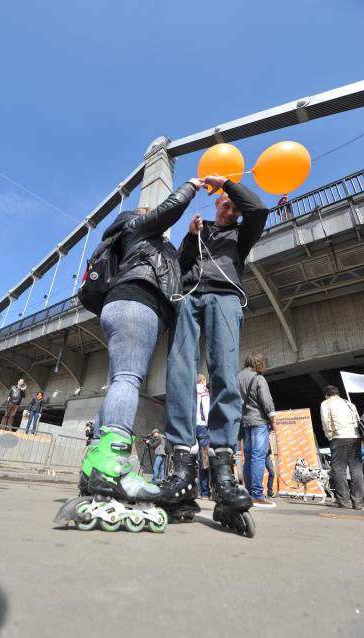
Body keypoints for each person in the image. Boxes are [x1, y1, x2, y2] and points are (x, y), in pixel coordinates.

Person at [56, 177, 204, 530]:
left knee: (121, 378)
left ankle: (97, 460)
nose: (156, 217)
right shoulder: (134, 228)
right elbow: (170, 210)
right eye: (151, 214)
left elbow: (176, 271)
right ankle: (113, 462)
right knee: (127, 378)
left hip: (131, 306)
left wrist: (190, 238)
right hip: (135, 303)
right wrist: (191, 186)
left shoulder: (151, 247)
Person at [162, 175, 269, 533]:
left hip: (225, 296)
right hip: (189, 297)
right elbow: (180, 263)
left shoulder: (242, 234)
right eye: (225, 204)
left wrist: (227, 183)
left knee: (224, 372)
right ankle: (181, 465)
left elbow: (259, 209)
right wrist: (191, 237)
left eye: (234, 207)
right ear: (215, 206)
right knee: (179, 371)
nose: (230, 209)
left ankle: (223, 472)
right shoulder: (198, 229)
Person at [238, 352, 276, 509]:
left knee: (248, 458)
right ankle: (257, 496)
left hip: (244, 422)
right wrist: (273, 420)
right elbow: (266, 401)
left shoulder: (238, 377)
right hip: (259, 421)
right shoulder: (259, 378)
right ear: (259, 363)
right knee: (258, 457)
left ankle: (247, 493)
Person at [320, 385, 363, 510]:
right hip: (355, 437)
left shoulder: (326, 403)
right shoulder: (349, 403)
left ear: (327, 394)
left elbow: (325, 421)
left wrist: (329, 437)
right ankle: (358, 502)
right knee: (356, 469)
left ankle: (343, 501)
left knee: (339, 469)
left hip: (339, 437)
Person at [196, 373, 210, 497]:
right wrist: (209, 425)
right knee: (204, 458)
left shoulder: (189, 391)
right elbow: (206, 410)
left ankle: (192, 490)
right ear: (202, 381)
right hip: (202, 426)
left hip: (190, 427)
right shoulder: (203, 390)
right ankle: (204, 491)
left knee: (190, 458)